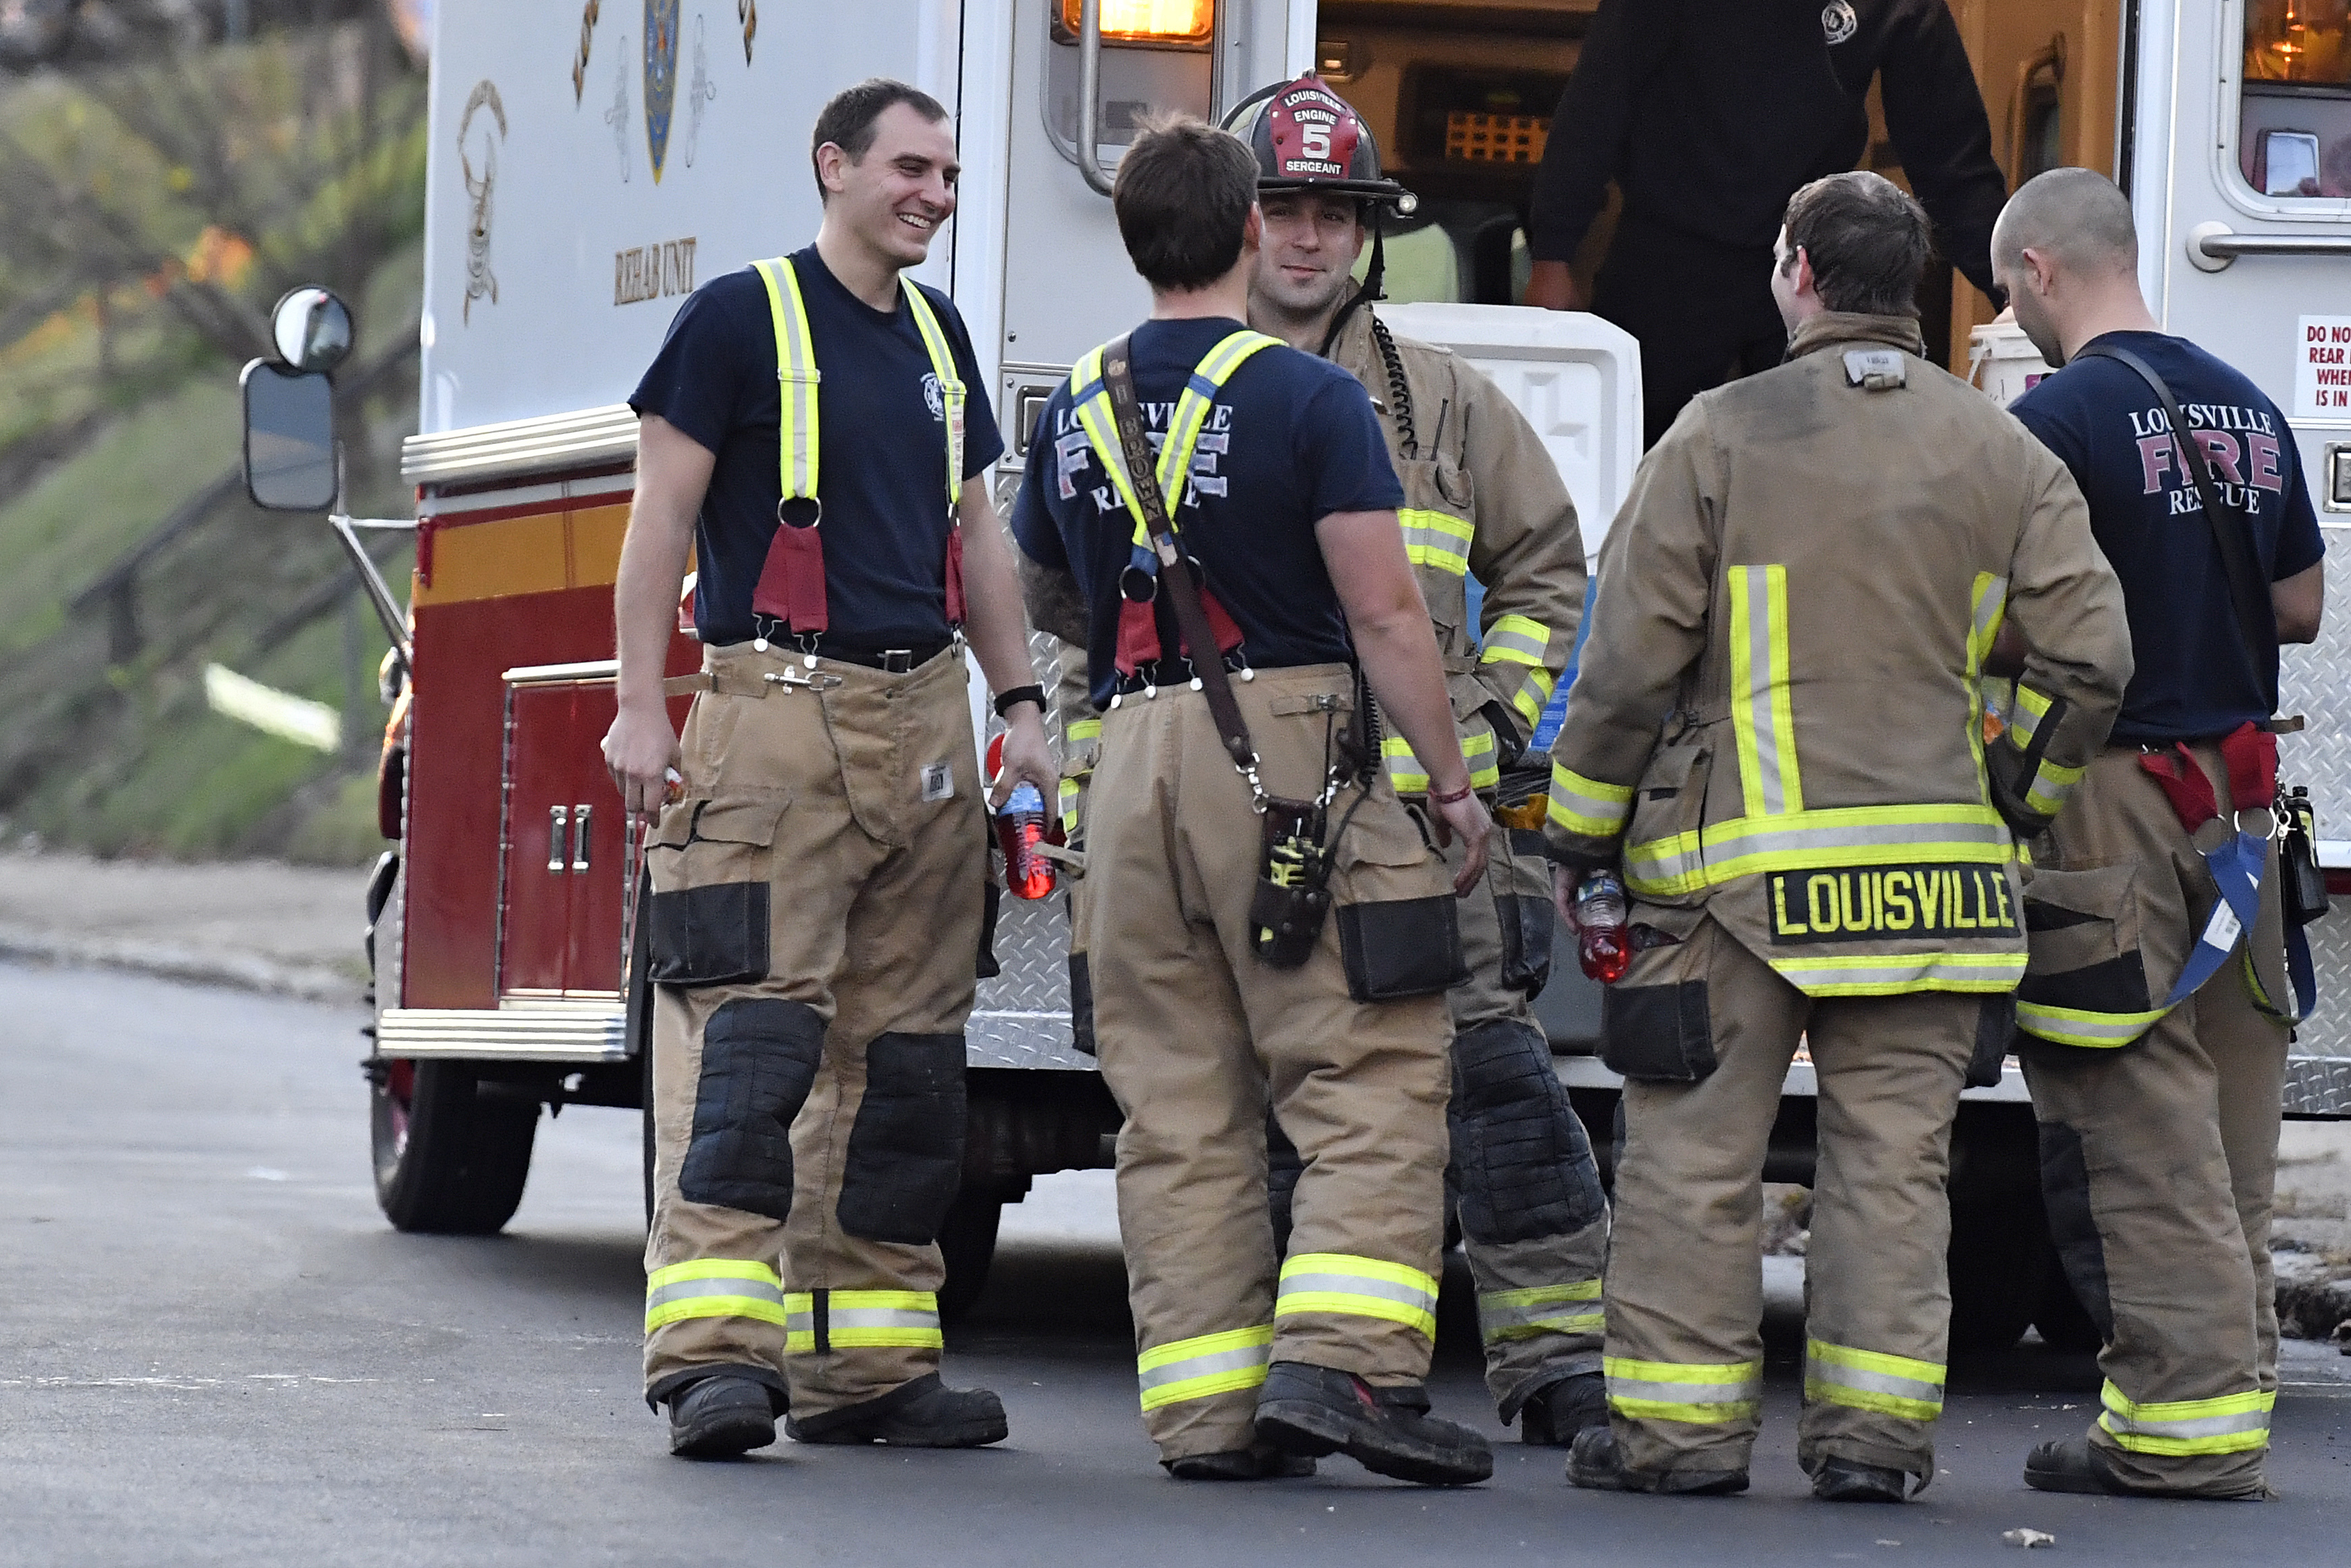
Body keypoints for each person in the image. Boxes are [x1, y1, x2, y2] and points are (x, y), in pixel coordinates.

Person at [1544, 170, 2130, 1503]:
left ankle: (1678, 1439)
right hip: (1933, 893)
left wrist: (1579, 834)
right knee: (1887, 1173)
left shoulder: (1714, 437)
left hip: (1731, 887)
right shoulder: (2004, 451)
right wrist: (2011, 794)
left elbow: (1628, 667)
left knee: (1695, 1157)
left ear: (1794, 272)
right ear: (1913, 289)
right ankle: (1870, 1445)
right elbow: (2090, 655)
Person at [1008, 115, 1497, 1489]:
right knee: (1366, 1066)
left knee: (1172, 1099)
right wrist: (1447, 785)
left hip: (1133, 758)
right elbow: (1387, 614)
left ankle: (1207, 1414)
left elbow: (1048, 589)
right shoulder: (1308, 397)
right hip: (1282, 752)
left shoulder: (1076, 407)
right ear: (1238, 235)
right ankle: (1342, 1366)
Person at [601, 79, 1059, 1462]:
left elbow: (976, 541)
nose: (933, 191)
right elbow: (657, 519)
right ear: (834, 167)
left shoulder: (935, 334)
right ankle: (712, 1364)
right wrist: (639, 708)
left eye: (948, 172)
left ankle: (867, 1366)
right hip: (771, 713)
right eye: (909, 166)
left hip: (921, 725)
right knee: (748, 1048)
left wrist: (1021, 701)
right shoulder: (738, 320)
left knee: (905, 1062)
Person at [1231, 77, 1608, 1450]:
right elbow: (1074, 599)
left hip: (1421, 811)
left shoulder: (1444, 409)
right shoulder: (1166, 389)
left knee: (1499, 1091)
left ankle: (1559, 1361)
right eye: (1281, 206)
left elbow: (1545, 573)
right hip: (1240, 815)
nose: (1307, 238)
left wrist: (1500, 719)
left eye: (1334, 212)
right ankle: (1271, 1375)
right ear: (1237, 217)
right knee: (1248, 1104)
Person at [1988, 167, 2326, 1501]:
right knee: (2234, 1114)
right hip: (2241, 808)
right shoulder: (2244, 406)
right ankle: (2237, 1378)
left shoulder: (2048, 421)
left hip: (2111, 801)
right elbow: (2295, 605)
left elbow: (2010, 622)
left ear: (2033, 273)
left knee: (2131, 1111)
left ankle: (2173, 1421)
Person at [1523, 0, 2006, 445]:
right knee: (1632, 444)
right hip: (1668, 251)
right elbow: (1601, 92)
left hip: (1802, 262)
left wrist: (2007, 289)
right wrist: (1552, 251)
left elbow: (1948, 152)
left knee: (1801, 458)